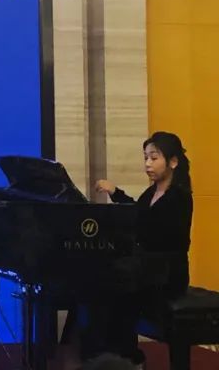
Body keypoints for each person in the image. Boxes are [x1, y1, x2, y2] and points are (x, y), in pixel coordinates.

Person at [82, 131, 194, 366]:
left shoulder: (179, 196)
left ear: (173, 162)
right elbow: (137, 213)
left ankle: (124, 356)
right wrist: (115, 193)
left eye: (154, 158)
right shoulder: (152, 192)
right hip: (148, 266)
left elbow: (156, 232)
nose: (147, 164)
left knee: (114, 287)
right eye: (145, 158)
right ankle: (113, 354)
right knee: (99, 283)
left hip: (168, 271)